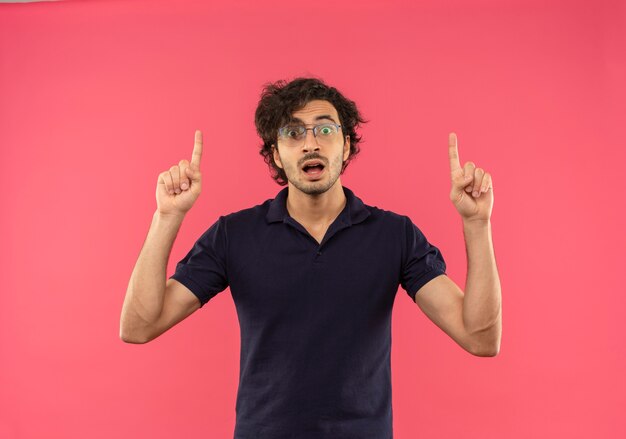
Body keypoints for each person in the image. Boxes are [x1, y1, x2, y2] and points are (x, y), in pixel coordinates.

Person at [120, 77, 502, 439]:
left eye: (325, 129)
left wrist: (477, 223)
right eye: (292, 132)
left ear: (347, 145)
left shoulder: (394, 235)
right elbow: (140, 326)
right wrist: (167, 217)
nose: (310, 144)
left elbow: (479, 337)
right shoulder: (233, 235)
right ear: (275, 154)